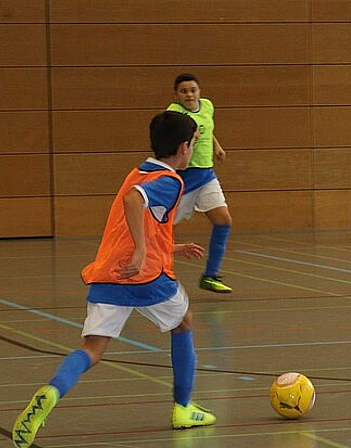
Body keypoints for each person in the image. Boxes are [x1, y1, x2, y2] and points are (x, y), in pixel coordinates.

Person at [12, 111, 216, 448]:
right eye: (193, 143)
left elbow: (142, 219)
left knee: (91, 350)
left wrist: (171, 246)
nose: (192, 149)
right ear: (183, 147)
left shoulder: (139, 171)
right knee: (183, 324)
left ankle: (51, 390)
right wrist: (139, 253)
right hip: (144, 275)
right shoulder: (171, 181)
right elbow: (133, 201)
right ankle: (183, 407)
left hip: (108, 273)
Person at [167, 73, 233, 293]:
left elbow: (208, 128)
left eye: (193, 90)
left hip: (206, 175)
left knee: (223, 220)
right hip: (185, 178)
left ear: (199, 91)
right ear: (176, 95)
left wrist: (217, 146)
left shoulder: (207, 106)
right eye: (184, 91)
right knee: (163, 229)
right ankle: (153, 272)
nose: (189, 94)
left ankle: (211, 275)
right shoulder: (174, 113)